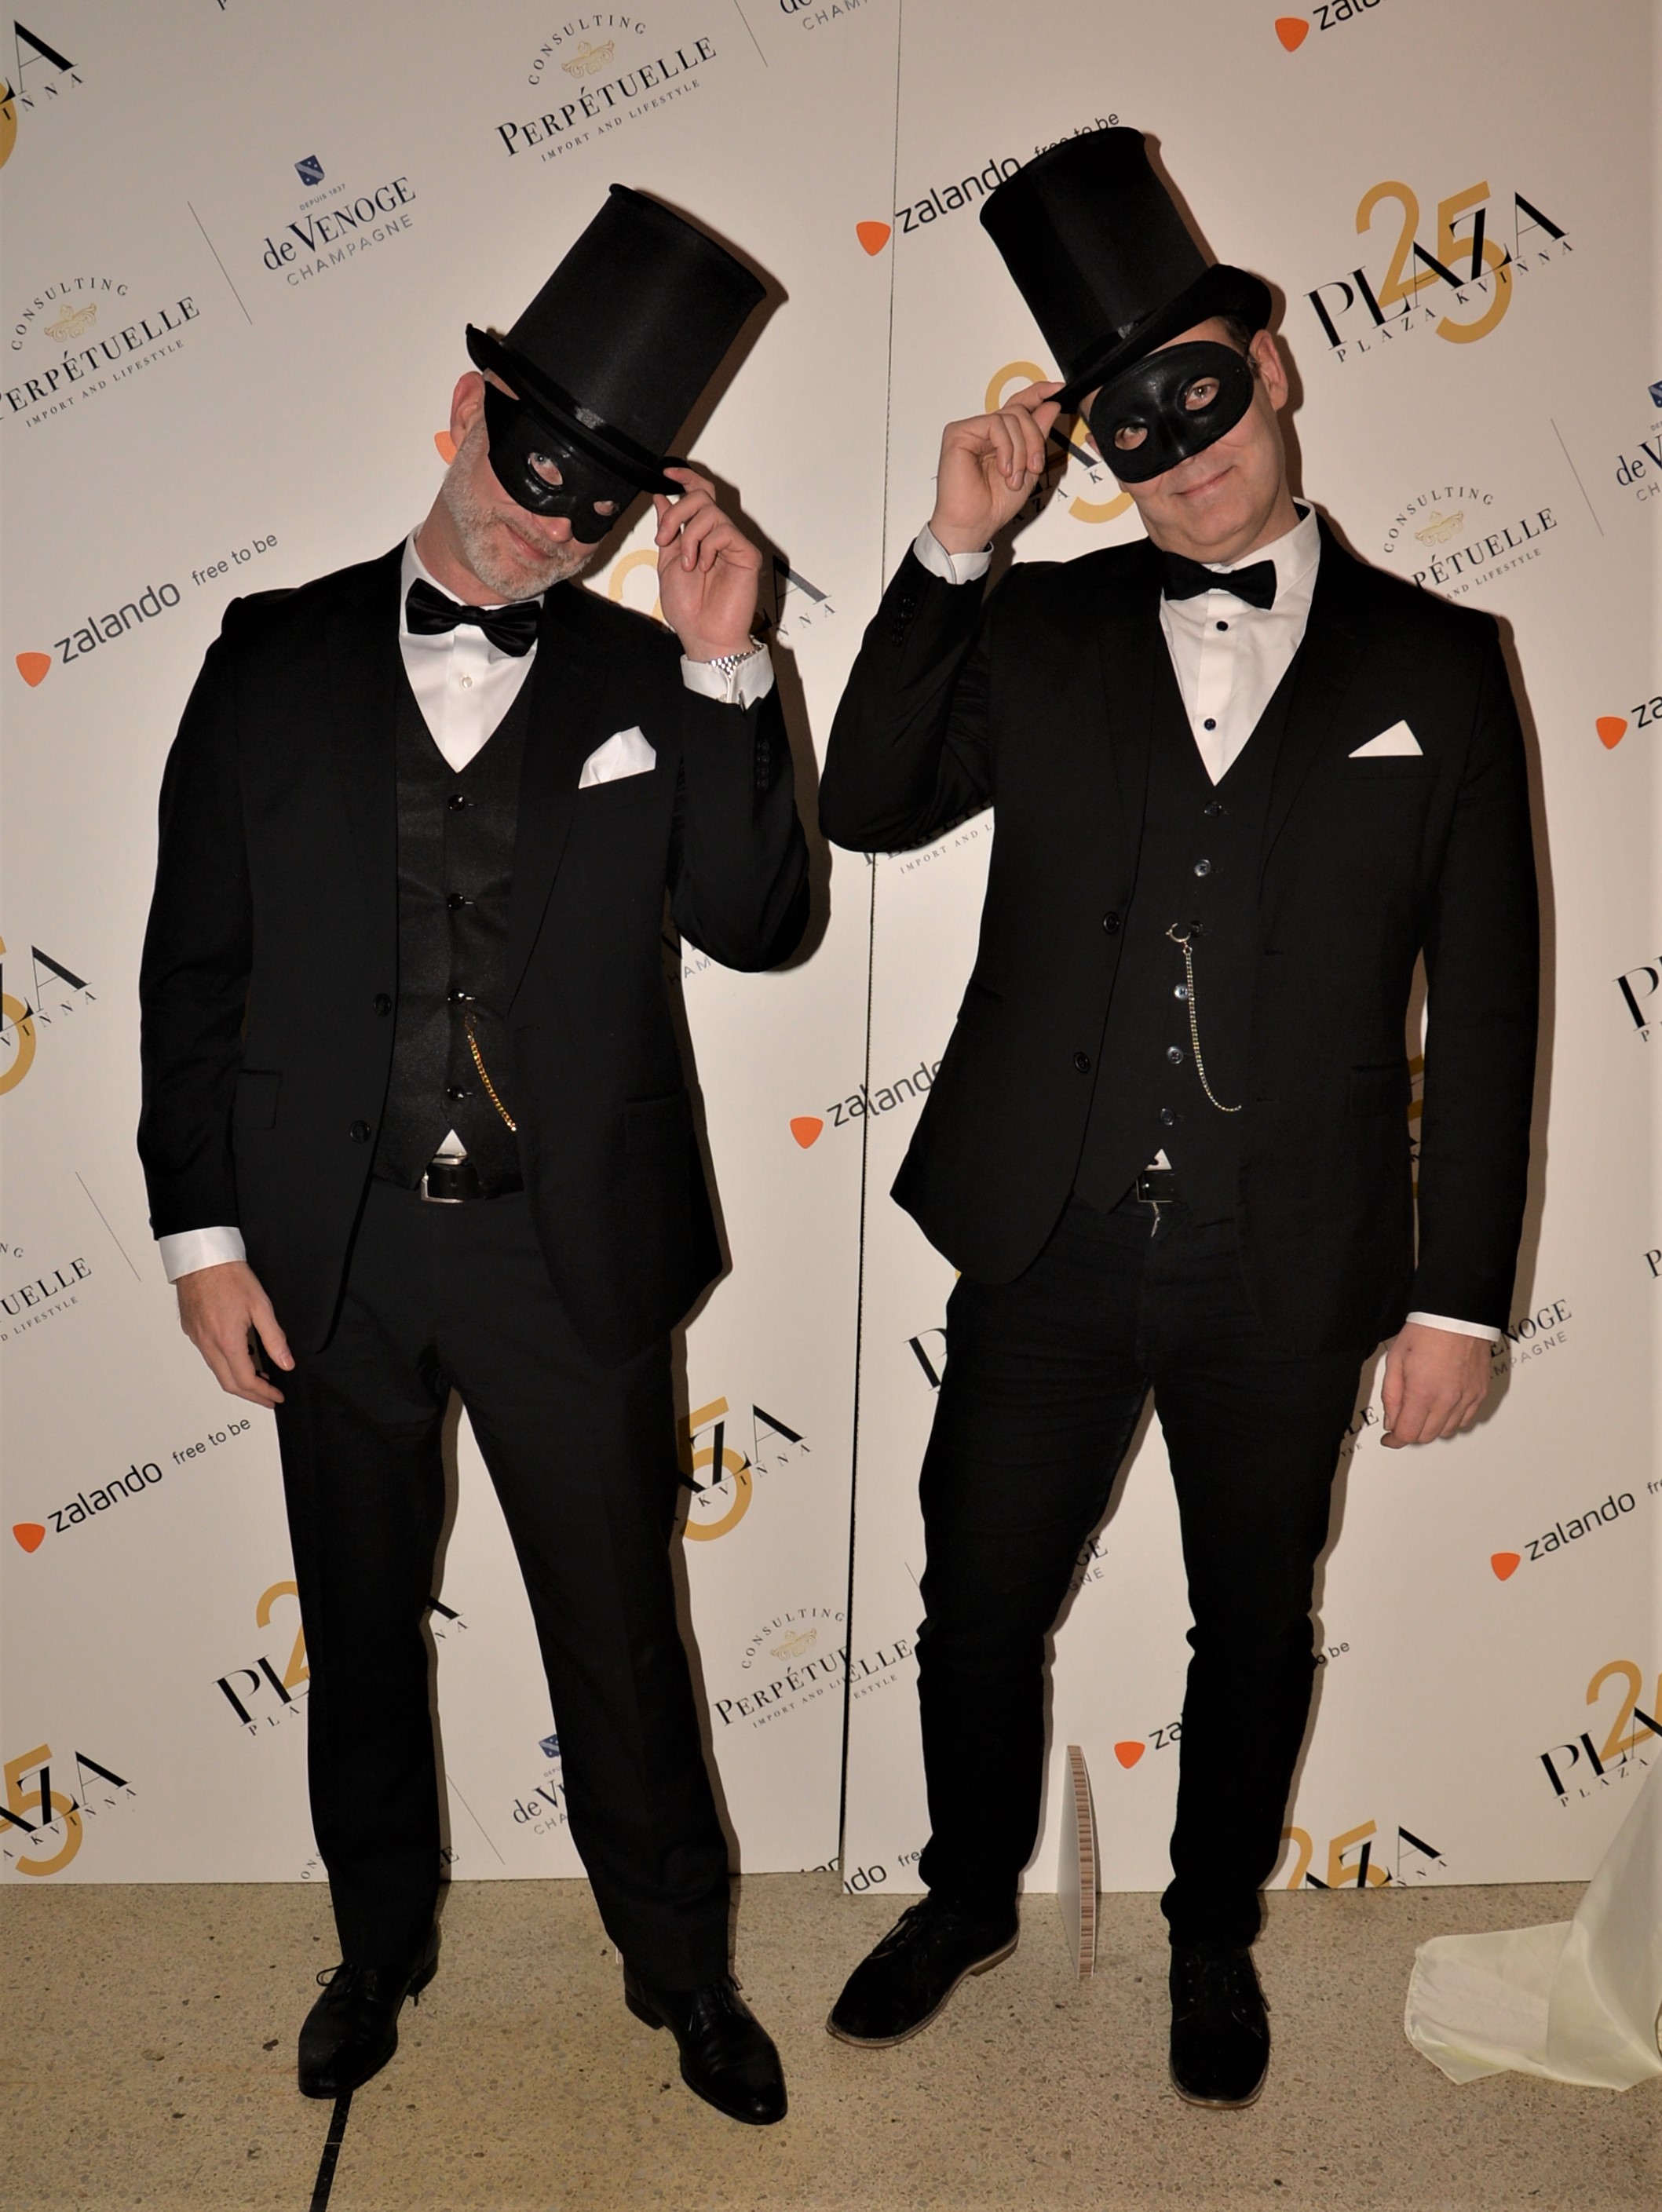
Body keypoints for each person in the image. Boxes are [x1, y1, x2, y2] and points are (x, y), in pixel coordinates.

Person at [819, 128, 1538, 2109]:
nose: (1182, 453)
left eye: (1204, 398)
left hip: (1288, 1255)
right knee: (976, 1598)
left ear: (1272, 365)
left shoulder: (1442, 664)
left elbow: (1487, 1009)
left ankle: (1211, 1930)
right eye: (1132, 430)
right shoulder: (1038, 624)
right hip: (1043, 1232)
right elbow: (864, 800)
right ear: (1098, 451)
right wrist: (955, 547)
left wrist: (1459, 1297)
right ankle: (967, 1891)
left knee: (1253, 1619)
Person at [138, 185, 808, 2126]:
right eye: (530, 472)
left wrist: (724, 665)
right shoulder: (265, 658)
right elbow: (194, 969)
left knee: (620, 1635)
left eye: (594, 507)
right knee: (358, 1627)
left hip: (564, 1250)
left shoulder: (650, 676)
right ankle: (376, 1948)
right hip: (326, 1250)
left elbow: (763, 922)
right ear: (462, 413)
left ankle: (681, 1969)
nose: (548, 525)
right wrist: (201, 1239)